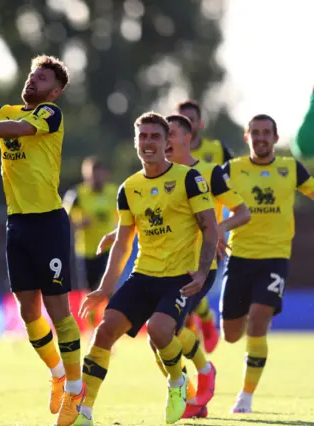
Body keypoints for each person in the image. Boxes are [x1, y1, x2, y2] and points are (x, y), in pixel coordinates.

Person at [0, 55, 84, 426]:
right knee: (28, 312)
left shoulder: (49, 115)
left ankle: (75, 390)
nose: (32, 82)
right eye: (31, 76)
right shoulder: (4, 110)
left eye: (42, 80)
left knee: (59, 312)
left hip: (49, 224)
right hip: (18, 225)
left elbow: (15, 129)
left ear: (54, 92)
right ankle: (58, 374)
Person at [77, 112, 218, 426]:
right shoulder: (128, 188)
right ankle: (83, 410)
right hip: (144, 275)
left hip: (182, 274)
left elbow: (210, 228)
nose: (148, 142)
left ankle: (177, 381)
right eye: (143, 136)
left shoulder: (189, 179)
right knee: (104, 331)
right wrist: (103, 288)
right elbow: (123, 243)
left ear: (167, 142)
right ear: (135, 141)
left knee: (159, 330)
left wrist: (201, 272)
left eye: (155, 136)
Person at [220, 114, 314, 413]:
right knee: (231, 335)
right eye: (255, 132)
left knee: (259, 322)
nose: (261, 137)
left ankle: (245, 396)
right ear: (247, 137)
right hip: (239, 258)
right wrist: (213, 232)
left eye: (266, 133)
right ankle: (251, 315)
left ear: (275, 138)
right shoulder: (231, 170)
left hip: (274, 259)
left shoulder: (290, 168)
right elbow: (204, 199)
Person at [163, 114, 251, 418]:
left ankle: (204, 371)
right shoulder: (158, 172)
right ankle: (192, 398)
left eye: (170, 133)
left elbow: (243, 211)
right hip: (162, 265)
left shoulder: (210, 172)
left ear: (188, 138)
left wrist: (220, 228)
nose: (164, 139)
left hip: (199, 265)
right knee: (158, 340)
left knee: (166, 327)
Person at [175, 100, 233, 351]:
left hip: (210, 238)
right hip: (177, 240)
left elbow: (235, 188)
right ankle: (199, 333)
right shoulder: (168, 156)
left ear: (200, 123)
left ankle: (205, 323)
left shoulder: (218, 152)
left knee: (186, 296)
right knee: (179, 303)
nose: (186, 123)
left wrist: (224, 228)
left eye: (191, 119)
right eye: (181, 119)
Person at [63, 157, 118, 328]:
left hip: (110, 251)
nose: (95, 178)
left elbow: (126, 214)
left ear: (105, 174)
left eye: (98, 174)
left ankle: (108, 328)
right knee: (92, 293)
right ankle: (94, 330)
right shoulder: (77, 194)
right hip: (87, 251)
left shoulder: (114, 192)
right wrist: (78, 224)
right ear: (85, 175)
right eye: (91, 174)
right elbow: (63, 218)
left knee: (109, 291)